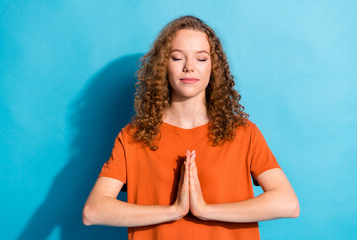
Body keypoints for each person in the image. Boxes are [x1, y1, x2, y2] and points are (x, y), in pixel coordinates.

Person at [82, 15, 300, 239]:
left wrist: (204, 210)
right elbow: (94, 211)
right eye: (177, 58)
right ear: (163, 66)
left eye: (201, 59)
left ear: (214, 68)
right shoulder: (133, 136)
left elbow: (287, 203)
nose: (189, 67)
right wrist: (174, 210)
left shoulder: (244, 132)